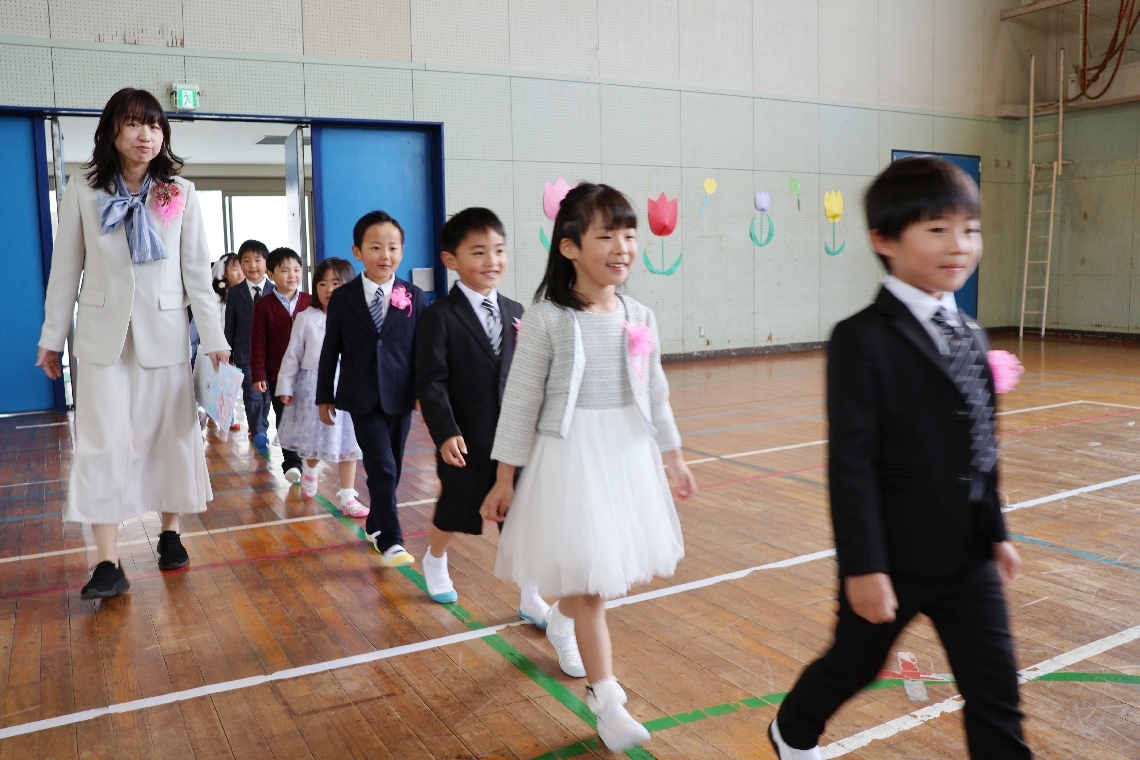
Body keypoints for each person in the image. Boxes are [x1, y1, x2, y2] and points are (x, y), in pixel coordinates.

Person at [768, 157, 1030, 760]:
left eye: (970, 230)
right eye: (938, 229)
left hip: (969, 552)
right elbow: (852, 462)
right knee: (856, 663)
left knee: (996, 689)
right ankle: (793, 730)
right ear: (884, 239)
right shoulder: (862, 337)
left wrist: (995, 530)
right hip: (895, 554)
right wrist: (863, 566)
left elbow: (983, 442)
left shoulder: (971, 332)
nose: (959, 245)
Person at [480, 184, 697, 751]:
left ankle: (561, 618)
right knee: (594, 585)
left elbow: (656, 393)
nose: (623, 247)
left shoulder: (639, 314)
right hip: (570, 458)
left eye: (629, 235)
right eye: (607, 236)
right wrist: (504, 476)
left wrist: (672, 455)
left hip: (625, 458)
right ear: (570, 247)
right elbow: (520, 402)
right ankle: (607, 699)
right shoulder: (548, 318)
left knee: (599, 573)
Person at [35, 87, 230, 598]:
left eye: (155, 125)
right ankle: (107, 562)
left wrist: (215, 338)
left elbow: (196, 274)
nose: (147, 135)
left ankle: (170, 532)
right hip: (103, 339)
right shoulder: (83, 188)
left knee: (171, 436)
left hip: (165, 334)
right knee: (101, 445)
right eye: (134, 124)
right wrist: (52, 338)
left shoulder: (179, 192)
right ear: (112, 131)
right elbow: (65, 270)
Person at [415, 208, 549, 628]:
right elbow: (431, 382)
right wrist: (445, 432)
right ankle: (436, 557)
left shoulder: (516, 310)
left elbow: (526, 375)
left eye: (499, 250)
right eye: (479, 252)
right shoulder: (439, 316)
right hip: (465, 437)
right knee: (457, 506)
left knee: (522, 515)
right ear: (450, 260)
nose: (492, 260)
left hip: (513, 439)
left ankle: (531, 594)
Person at [318, 210, 428, 568]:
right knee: (381, 466)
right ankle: (391, 539)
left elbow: (421, 350)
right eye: (376, 247)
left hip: (400, 395)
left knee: (392, 466)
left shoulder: (414, 295)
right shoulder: (343, 298)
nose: (386, 255)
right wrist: (324, 395)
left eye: (393, 247)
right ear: (358, 252)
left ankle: (377, 522)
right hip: (362, 396)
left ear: (402, 251)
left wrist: (424, 393)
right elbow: (331, 348)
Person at [276, 257, 366, 516]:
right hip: (313, 388)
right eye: (322, 283)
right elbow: (292, 354)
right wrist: (286, 386)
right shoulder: (306, 318)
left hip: (347, 386)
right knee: (315, 440)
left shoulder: (357, 317)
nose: (329, 289)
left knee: (349, 442)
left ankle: (348, 496)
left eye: (336, 283)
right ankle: (310, 469)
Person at [251, 247, 311, 481]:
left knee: (306, 417)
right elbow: (258, 343)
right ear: (271, 274)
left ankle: (307, 458)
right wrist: (258, 374)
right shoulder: (263, 306)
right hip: (278, 374)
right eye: (285, 270)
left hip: (308, 373)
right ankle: (292, 463)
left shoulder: (310, 301)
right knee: (285, 416)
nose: (292, 275)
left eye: (296, 270)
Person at [225, 239, 273, 444]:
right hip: (245, 352)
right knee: (252, 393)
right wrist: (228, 351)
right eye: (246, 261)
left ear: (267, 263)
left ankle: (261, 425)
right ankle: (258, 430)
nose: (252, 265)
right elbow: (230, 324)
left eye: (257, 260)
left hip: (272, 353)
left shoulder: (275, 289)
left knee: (267, 395)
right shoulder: (235, 293)